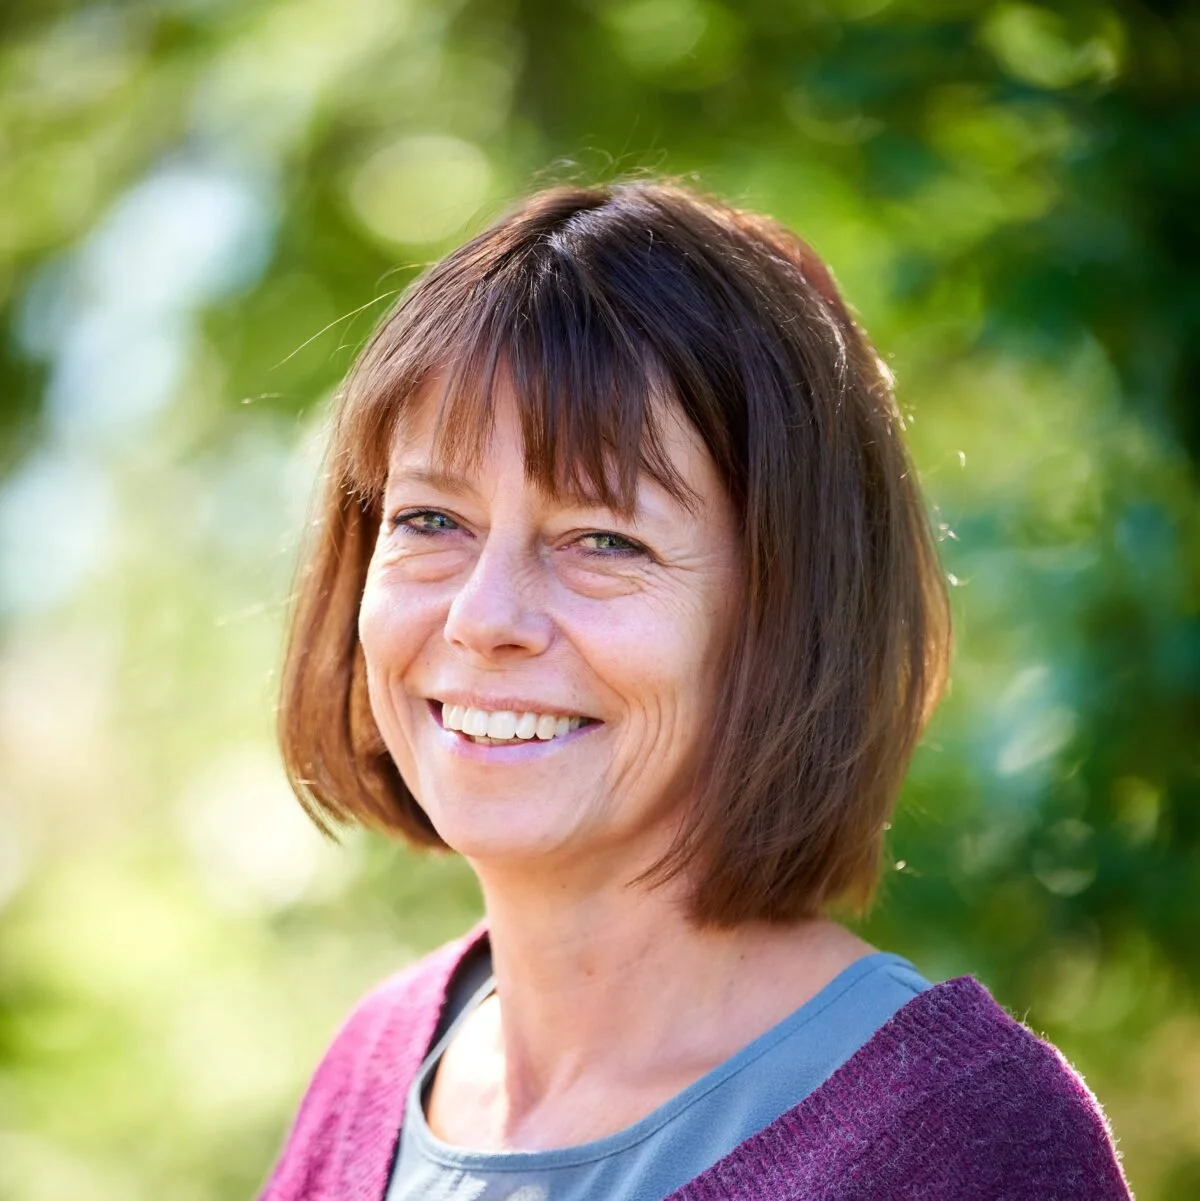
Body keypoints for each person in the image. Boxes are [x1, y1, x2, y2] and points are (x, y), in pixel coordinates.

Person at [260, 181, 1133, 1200]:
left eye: (603, 538)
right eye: (430, 521)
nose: (482, 616)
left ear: (783, 615)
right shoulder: (374, 1065)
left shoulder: (958, 1139)